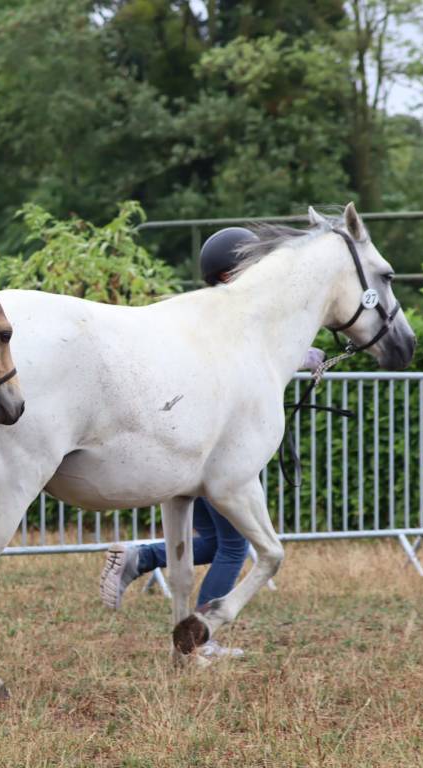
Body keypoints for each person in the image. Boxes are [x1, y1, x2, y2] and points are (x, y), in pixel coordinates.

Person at [97, 226, 324, 658]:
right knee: (236, 545)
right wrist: (299, 355)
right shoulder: (233, 317)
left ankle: (139, 557)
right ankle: (201, 637)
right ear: (231, 274)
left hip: (197, 447)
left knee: (213, 541)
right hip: (217, 448)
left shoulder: (211, 312)